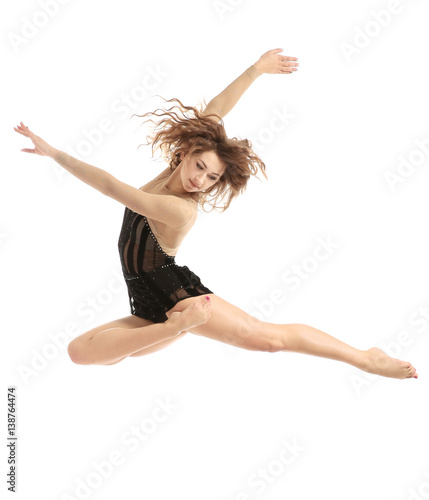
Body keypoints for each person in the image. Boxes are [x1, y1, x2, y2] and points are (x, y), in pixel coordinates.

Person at [14, 49, 418, 380]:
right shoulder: (170, 175)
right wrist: (256, 69)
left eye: (212, 178)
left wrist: (55, 153)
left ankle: (366, 358)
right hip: (147, 303)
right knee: (79, 353)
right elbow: (215, 111)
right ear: (186, 153)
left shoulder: (177, 210)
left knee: (267, 340)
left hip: (180, 300)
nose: (201, 180)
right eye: (199, 167)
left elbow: (109, 185)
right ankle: (171, 329)